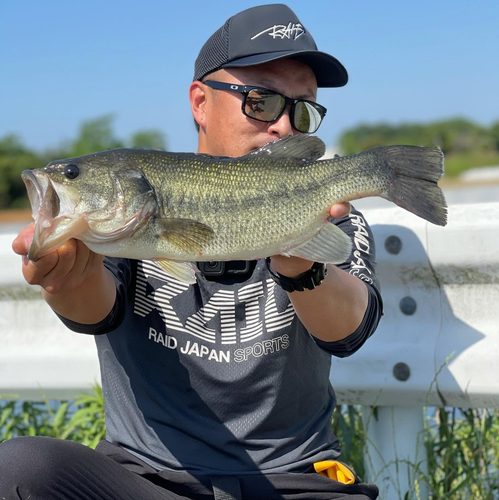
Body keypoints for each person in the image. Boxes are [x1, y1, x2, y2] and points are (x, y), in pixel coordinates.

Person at [2, 4, 382, 499]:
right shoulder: (125, 218)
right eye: (261, 101)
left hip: (294, 482)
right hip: (147, 480)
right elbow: (95, 304)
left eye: (302, 110)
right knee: (19, 468)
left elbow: (350, 329)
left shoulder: (329, 214)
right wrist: (65, 281)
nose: (285, 127)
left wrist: (304, 265)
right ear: (201, 102)